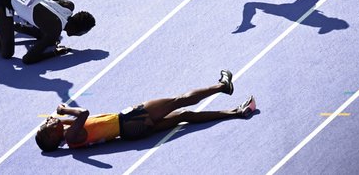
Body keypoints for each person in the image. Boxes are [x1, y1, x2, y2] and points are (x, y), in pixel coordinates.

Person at [35, 70, 256, 152]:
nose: (47, 124)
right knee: (179, 101)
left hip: (130, 132)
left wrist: (56, 121)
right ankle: (222, 86)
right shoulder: (71, 134)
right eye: (46, 130)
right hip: (130, 119)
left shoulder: (69, 138)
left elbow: (59, 125)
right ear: (54, 138)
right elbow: (83, 113)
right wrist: (65, 110)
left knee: (184, 117)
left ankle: (236, 112)